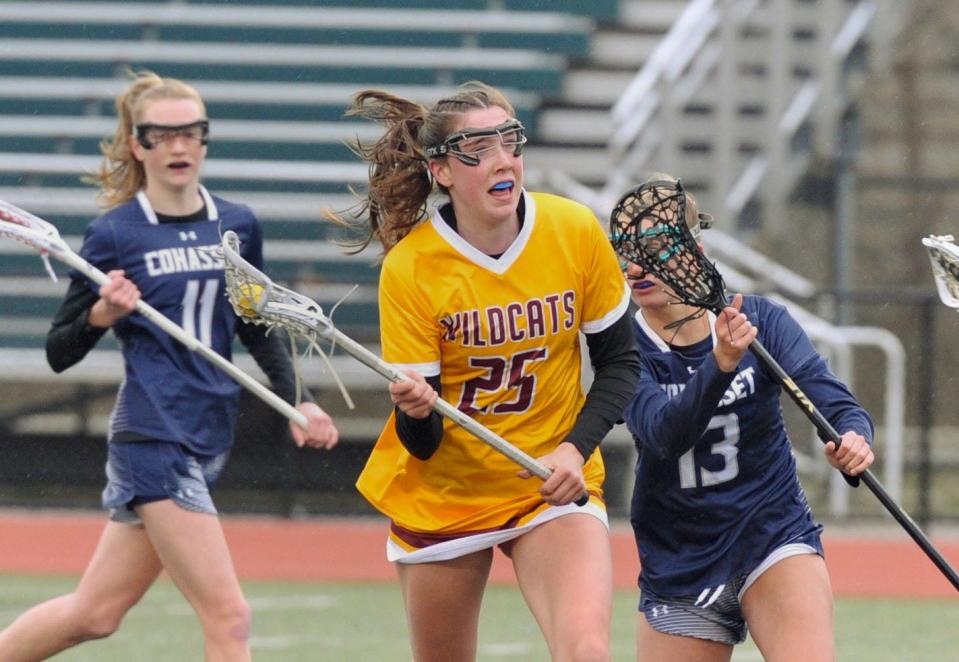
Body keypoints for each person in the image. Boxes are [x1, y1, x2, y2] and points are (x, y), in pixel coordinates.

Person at [0, 71, 339, 662]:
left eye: (191, 133)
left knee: (95, 614)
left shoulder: (236, 225)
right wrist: (104, 313)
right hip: (153, 436)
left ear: (205, 140)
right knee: (229, 615)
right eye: (162, 135)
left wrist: (300, 400)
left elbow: (255, 327)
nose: (179, 146)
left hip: (210, 431)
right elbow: (60, 351)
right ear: (138, 144)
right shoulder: (114, 234)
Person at [333, 81, 640, 662]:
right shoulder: (411, 269)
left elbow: (623, 362)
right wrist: (414, 409)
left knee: (587, 652)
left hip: (547, 481)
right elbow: (420, 445)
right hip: (446, 493)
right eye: (478, 148)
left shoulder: (573, 230)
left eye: (510, 141)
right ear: (443, 170)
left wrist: (576, 449)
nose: (503, 160)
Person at [613, 175, 875, 661]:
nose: (634, 265)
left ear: (694, 246)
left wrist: (855, 437)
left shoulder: (762, 321)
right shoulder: (624, 350)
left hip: (770, 533)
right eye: (625, 249)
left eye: (652, 247)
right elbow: (665, 435)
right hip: (679, 556)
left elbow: (832, 400)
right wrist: (721, 364)